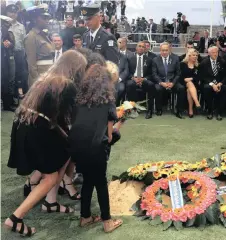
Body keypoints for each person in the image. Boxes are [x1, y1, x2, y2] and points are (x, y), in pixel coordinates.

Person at [5, 56, 85, 236]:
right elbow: (74, 116)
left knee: (65, 152)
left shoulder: (45, 78)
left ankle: (50, 201)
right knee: (50, 177)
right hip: (37, 130)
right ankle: (16, 218)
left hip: (23, 125)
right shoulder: (67, 85)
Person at [69, 64, 123, 233]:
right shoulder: (108, 102)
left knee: (88, 181)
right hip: (96, 147)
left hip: (76, 146)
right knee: (100, 183)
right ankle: (107, 221)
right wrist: (122, 122)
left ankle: (85, 217)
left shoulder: (78, 100)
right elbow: (109, 135)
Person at [152, 42, 184, 118]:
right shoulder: (155, 60)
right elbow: (154, 74)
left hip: (172, 81)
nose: (164, 52)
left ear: (169, 50)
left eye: (166, 50)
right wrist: (161, 83)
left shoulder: (175, 58)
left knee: (181, 88)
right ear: (160, 50)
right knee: (157, 88)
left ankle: (179, 111)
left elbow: (178, 73)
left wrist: (173, 83)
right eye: (163, 50)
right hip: (161, 81)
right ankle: (159, 109)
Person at [24, 6, 53, 87]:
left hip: (47, 76)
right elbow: (31, 64)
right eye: (44, 18)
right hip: (40, 80)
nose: (47, 20)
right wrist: (38, 83)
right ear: (34, 19)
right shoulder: (31, 36)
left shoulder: (43, 35)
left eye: (47, 18)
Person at [126, 41, 155, 119]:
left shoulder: (149, 60)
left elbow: (151, 74)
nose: (141, 48)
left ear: (145, 49)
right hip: (133, 79)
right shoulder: (129, 58)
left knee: (151, 85)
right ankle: (132, 109)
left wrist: (144, 79)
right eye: (139, 46)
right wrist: (133, 78)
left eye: (143, 47)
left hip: (144, 79)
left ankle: (149, 110)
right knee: (129, 84)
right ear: (136, 47)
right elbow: (127, 72)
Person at [199, 46, 226, 120]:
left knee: (225, 89)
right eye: (213, 52)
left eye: (216, 52)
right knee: (207, 88)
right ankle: (210, 111)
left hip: (220, 83)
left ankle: (219, 112)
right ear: (209, 53)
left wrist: (220, 83)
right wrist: (212, 84)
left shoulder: (223, 61)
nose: (215, 54)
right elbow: (202, 77)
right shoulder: (204, 62)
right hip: (208, 83)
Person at [6, 4, 27, 99]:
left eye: (14, 12)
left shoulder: (21, 26)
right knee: (9, 76)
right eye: (10, 12)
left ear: (17, 14)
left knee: (20, 74)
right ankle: (9, 96)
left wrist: (24, 53)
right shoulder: (3, 26)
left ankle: (18, 92)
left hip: (19, 53)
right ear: (7, 13)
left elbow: (24, 41)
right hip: (7, 54)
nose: (12, 14)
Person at [180, 48, 201, 117]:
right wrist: (185, 79)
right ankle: (197, 102)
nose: (195, 57)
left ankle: (190, 109)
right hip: (183, 83)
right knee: (189, 84)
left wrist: (191, 78)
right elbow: (180, 75)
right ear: (189, 56)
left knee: (189, 88)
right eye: (193, 55)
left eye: (196, 55)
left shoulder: (198, 66)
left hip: (195, 83)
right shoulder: (182, 64)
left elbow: (199, 77)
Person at [1, 15, 16, 111]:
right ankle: (6, 103)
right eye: (5, 24)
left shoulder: (9, 33)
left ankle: (9, 102)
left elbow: (13, 44)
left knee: (10, 80)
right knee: (4, 82)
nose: (7, 26)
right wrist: (2, 44)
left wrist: (10, 44)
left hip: (8, 59)